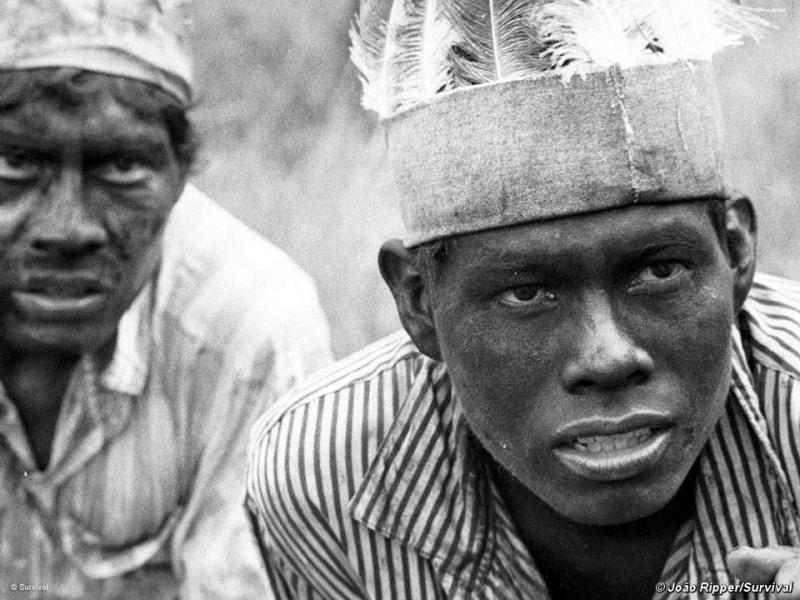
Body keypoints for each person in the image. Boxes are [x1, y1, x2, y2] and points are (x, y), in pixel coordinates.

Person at [246, 1, 800, 598]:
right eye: (527, 292)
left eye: (660, 270)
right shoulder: (322, 477)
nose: (608, 357)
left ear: (737, 254)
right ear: (419, 302)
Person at [0, 1, 331, 598]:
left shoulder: (246, 328)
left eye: (122, 166)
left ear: (181, 173)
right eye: (15, 162)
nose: (68, 229)